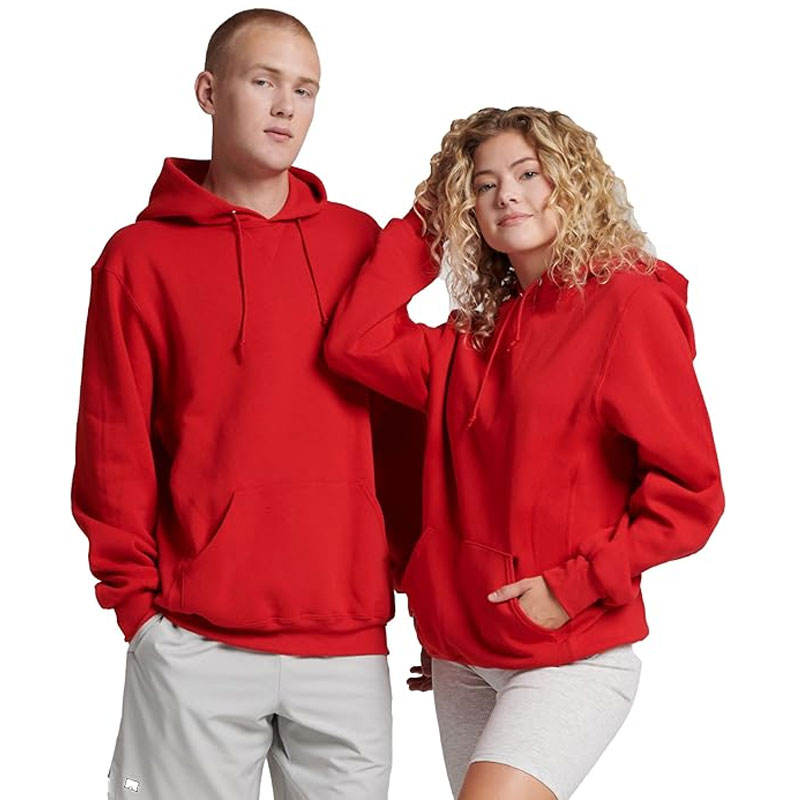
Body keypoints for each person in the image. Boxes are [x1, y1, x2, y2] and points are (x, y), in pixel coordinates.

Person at [70, 9, 423, 799]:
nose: (285, 106)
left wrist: (423, 592)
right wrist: (139, 616)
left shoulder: (355, 243)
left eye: (305, 89)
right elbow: (112, 445)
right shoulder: (138, 258)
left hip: (347, 640)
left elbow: (400, 436)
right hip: (196, 642)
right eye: (263, 81)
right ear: (209, 91)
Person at [324, 106, 725, 799]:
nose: (506, 195)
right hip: (462, 656)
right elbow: (355, 341)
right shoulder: (472, 337)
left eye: (528, 174)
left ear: (572, 183)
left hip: (566, 653)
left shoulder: (628, 305)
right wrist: (428, 219)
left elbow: (691, 494)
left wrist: (573, 589)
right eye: (483, 186)